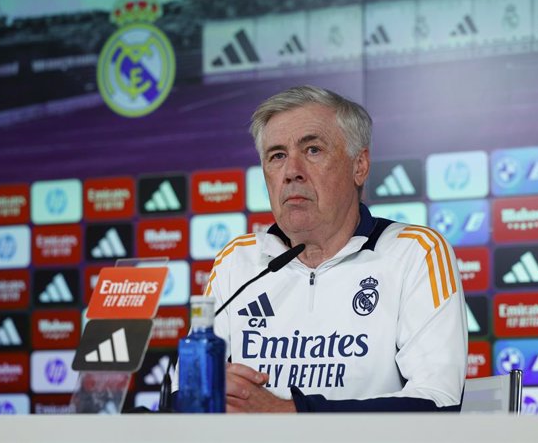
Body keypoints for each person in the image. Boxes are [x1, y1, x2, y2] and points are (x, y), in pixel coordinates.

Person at [174, 85, 468, 412]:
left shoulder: (414, 253)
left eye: (313, 150)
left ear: (359, 165)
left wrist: (290, 414)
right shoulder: (238, 261)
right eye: (277, 156)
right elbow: (179, 395)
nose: (291, 172)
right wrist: (209, 393)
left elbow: (439, 403)